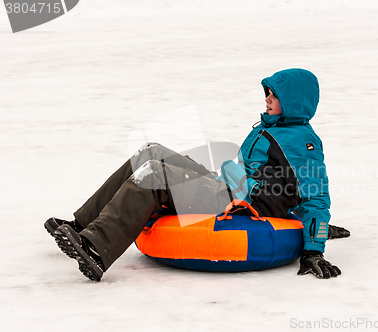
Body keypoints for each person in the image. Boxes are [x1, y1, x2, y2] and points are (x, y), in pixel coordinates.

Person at [45, 68, 349, 282]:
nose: (267, 98)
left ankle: (96, 251)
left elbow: (316, 196)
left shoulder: (302, 143)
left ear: (294, 101)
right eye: (267, 92)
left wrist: (313, 249)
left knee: (155, 174)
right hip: (226, 185)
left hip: (238, 201)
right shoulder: (272, 127)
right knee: (150, 152)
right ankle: (81, 224)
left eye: (275, 95)